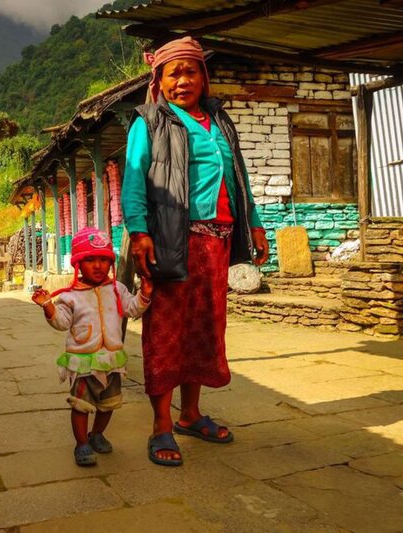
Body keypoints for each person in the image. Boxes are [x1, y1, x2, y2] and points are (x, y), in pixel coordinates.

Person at [121, 36, 269, 467]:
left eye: (191, 71)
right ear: (160, 80)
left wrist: (255, 224)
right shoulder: (149, 123)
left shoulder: (221, 123)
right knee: (166, 329)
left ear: (204, 76)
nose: (183, 81)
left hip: (218, 241)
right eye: (174, 73)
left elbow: (238, 178)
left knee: (205, 328)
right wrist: (138, 232)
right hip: (172, 240)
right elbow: (134, 182)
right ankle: (161, 426)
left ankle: (190, 414)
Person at [32, 227, 153, 466]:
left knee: (108, 404)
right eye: (89, 260)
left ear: (110, 263)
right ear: (78, 265)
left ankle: (96, 434)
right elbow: (62, 321)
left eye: (103, 260)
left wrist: (145, 295)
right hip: (83, 362)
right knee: (81, 405)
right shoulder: (70, 296)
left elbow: (132, 309)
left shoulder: (118, 290)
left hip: (111, 361)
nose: (97, 266)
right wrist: (48, 306)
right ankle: (82, 444)